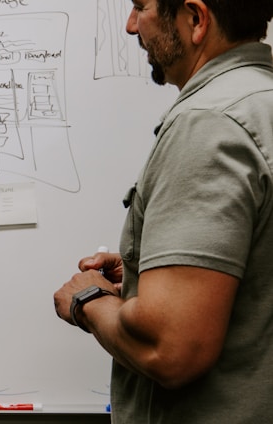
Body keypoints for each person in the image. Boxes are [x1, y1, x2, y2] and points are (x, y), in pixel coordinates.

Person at [53, 1, 273, 422]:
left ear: (195, 18)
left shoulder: (209, 123)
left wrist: (86, 297)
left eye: (141, 6)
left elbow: (171, 349)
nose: (132, 26)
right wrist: (145, 270)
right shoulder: (260, 104)